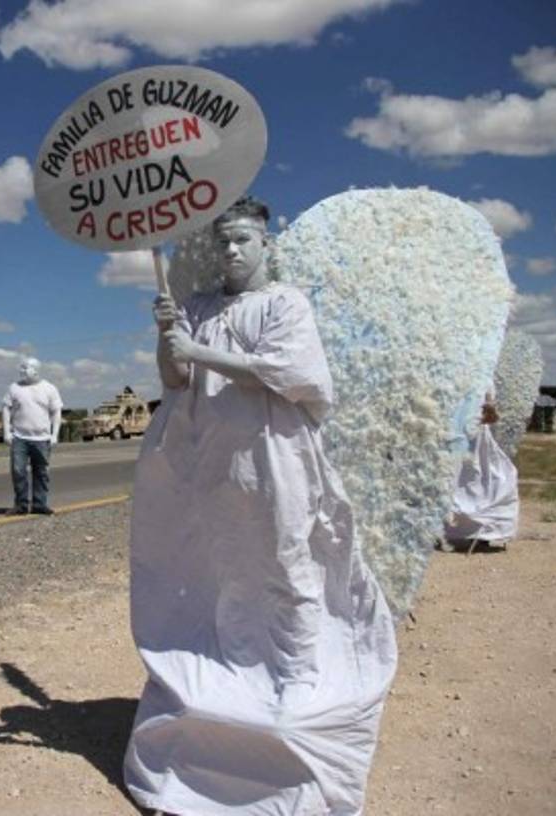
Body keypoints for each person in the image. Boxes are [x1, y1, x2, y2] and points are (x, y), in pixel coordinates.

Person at [124, 196, 398, 815]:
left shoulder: (285, 304)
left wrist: (197, 352)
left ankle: (294, 677)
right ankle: (237, 669)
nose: (232, 251)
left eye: (244, 240)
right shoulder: (195, 307)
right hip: (214, 463)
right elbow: (175, 380)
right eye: (223, 242)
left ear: (267, 245)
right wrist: (170, 337)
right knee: (220, 567)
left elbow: (291, 372)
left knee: (287, 563)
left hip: (275, 460)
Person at [444, 395, 519, 550]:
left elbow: (492, 415)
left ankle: (483, 532)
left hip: (477, 439)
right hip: (461, 436)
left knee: (491, 479)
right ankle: (466, 531)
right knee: (464, 481)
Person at [1, 357, 62, 515]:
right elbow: (6, 409)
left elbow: (56, 412)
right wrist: (7, 431)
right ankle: (21, 505)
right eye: (21, 368)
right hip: (19, 437)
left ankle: (39, 504)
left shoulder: (49, 388)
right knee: (18, 471)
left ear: (35, 370)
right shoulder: (14, 388)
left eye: (25, 368)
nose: (21, 371)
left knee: (41, 472)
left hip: (42, 439)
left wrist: (55, 434)